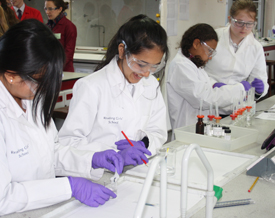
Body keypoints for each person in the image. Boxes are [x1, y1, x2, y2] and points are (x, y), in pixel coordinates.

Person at [0, 19, 124, 215]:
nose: (45, 89)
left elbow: (50, 153)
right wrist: (69, 187)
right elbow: (3, 198)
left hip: (44, 209)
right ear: (11, 75)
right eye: (41, 81)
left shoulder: (29, 97)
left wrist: (91, 160)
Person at [59, 14, 169, 167]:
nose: (146, 73)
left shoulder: (150, 84)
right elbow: (69, 141)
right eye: (141, 64)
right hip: (100, 174)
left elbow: (158, 132)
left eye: (154, 66)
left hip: (138, 170)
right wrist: (111, 153)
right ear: (123, 51)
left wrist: (144, 144)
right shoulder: (91, 86)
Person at [167, 23, 249, 140]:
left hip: (198, 132)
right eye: (209, 51)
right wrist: (238, 90)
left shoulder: (194, 64)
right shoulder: (181, 65)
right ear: (196, 44)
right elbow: (204, 98)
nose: (210, 57)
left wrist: (214, 85)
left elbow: (201, 84)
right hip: (187, 134)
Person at [205, 0, 268, 116]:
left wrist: (259, 90)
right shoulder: (213, 37)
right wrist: (212, 84)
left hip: (238, 107)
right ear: (230, 19)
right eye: (239, 22)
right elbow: (197, 69)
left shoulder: (256, 47)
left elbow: (259, 79)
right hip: (210, 101)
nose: (244, 28)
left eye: (249, 24)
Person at [45, 0, 77, 72]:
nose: (47, 12)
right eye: (46, 9)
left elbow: (68, 53)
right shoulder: (47, 26)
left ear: (60, 9)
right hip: (49, 70)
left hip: (64, 70)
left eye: (50, 9)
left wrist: (55, 67)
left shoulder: (69, 26)